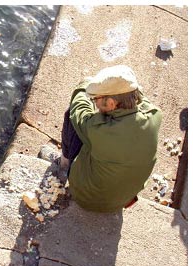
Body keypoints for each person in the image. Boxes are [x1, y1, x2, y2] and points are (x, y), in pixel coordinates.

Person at [45, 65, 162, 213]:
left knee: (71, 116)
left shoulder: (99, 130)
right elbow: (139, 95)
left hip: (87, 198)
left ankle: (64, 164)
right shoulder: (154, 115)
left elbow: (78, 108)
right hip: (123, 200)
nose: (95, 103)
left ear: (112, 103)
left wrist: (85, 84)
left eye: (96, 100)